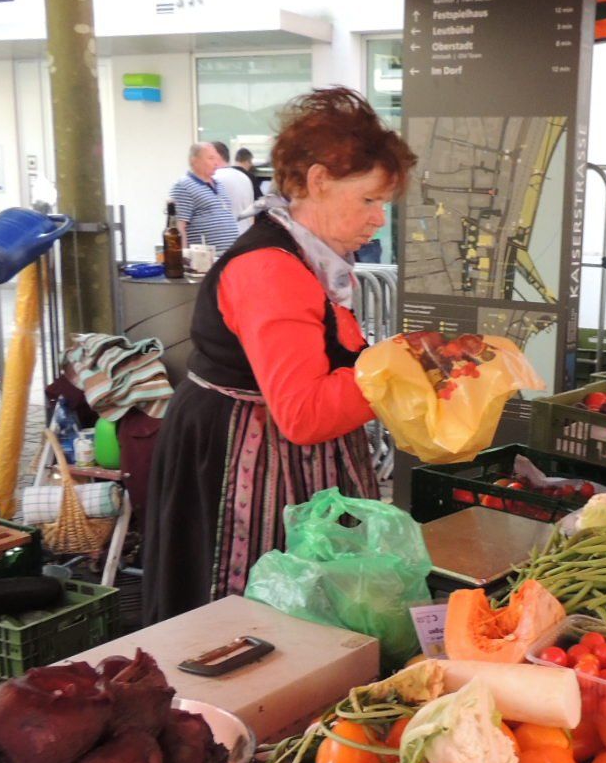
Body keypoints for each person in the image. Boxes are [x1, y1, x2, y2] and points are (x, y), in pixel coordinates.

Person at [143, 89, 415, 624]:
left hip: (272, 450)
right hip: (248, 460)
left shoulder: (308, 257)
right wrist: (399, 369)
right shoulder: (271, 269)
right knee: (255, 625)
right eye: (369, 200)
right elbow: (304, 414)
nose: (379, 219)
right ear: (318, 181)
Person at [170, 143, 241, 258]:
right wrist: (183, 259)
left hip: (229, 255)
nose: (216, 163)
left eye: (217, 159)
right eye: (211, 158)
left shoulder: (219, 185)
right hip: (205, 258)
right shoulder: (183, 186)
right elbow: (179, 227)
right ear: (194, 160)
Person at [209, 141, 256, 237]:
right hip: (245, 235)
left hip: (223, 238)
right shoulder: (245, 177)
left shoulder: (214, 178)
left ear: (216, 156)